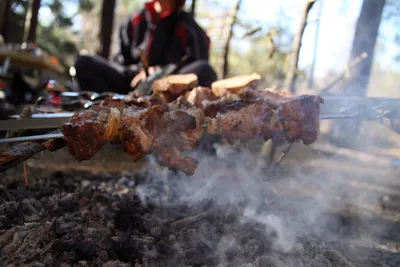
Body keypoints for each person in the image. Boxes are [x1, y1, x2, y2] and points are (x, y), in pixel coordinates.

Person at [74, 0, 217, 94]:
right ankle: (114, 109)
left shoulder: (189, 28)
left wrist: (160, 73)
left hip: (166, 89)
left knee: (204, 70)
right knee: (84, 62)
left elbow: (196, 66)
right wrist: (137, 72)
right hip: (129, 84)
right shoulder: (135, 19)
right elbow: (119, 60)